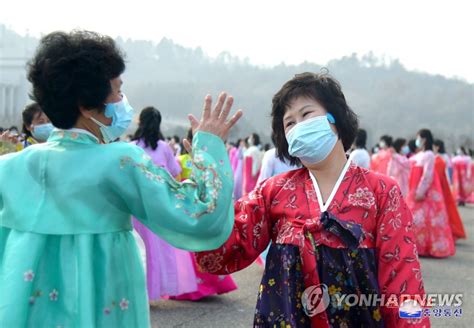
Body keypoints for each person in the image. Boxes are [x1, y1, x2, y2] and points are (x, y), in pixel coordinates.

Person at [0, 30, 242, 327]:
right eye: (116, 90)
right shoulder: (120, 161)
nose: (122, 100)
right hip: (102, 304)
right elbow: (198, 214)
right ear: (87, 105)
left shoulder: (8, 168)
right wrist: (210, 147)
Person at [195, 72, 429, 327]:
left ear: (335, 119)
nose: (298, 126)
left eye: (306, 115)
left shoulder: (381, 192)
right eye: (289, 123)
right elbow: (222, 250)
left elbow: (403, 280)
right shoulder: (273, 191)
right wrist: (210, 168)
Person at [130, 106, 198, 302]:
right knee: (157, 251)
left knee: (138, 250)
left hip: (137, 207)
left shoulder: (133, 147)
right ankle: (154, 290)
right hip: (159, 208)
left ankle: (139, 292)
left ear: (140, 122)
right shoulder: (164, 147)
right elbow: (175, 175)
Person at [172, 128, 238, 301]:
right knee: (206, 245)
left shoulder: (180, 160)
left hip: (188, 207)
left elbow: (176, 184)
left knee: (190, 246)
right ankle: (212, 283)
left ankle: (193, 285)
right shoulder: (211, 162)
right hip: (208, 207)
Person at [405, 129, 455, 258]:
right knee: (417, 218)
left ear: (424, 139)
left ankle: (428, 247)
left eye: (419, 138)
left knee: (428, 219)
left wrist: (421, 191)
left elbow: (428, 174)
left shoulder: (429, 155)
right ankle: (417, 246)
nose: (417, 141)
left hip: (425, 192)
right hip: (414, 190)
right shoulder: (420, 155)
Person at [433, 139, 466, 240]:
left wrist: (449, 184)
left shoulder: (444, 157)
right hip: (438, 184)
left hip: (443, 184)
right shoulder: (435, 156)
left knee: (445, 208)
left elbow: (448, 172)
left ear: (437, 146)